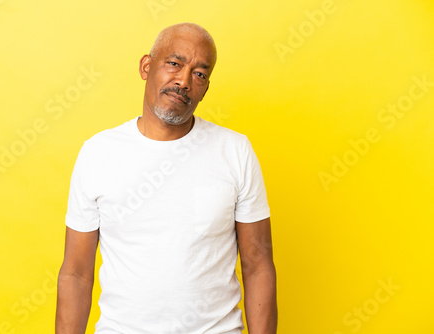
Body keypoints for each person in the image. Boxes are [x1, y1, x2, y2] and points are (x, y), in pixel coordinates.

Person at [55, 22, 277, 334]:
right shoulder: (98, 153)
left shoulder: (235, 150)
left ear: (206, 87)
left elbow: (258, 266)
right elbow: (76, 273)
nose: (184, 81)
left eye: (199, 74)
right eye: (174, 63)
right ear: (146, 66)